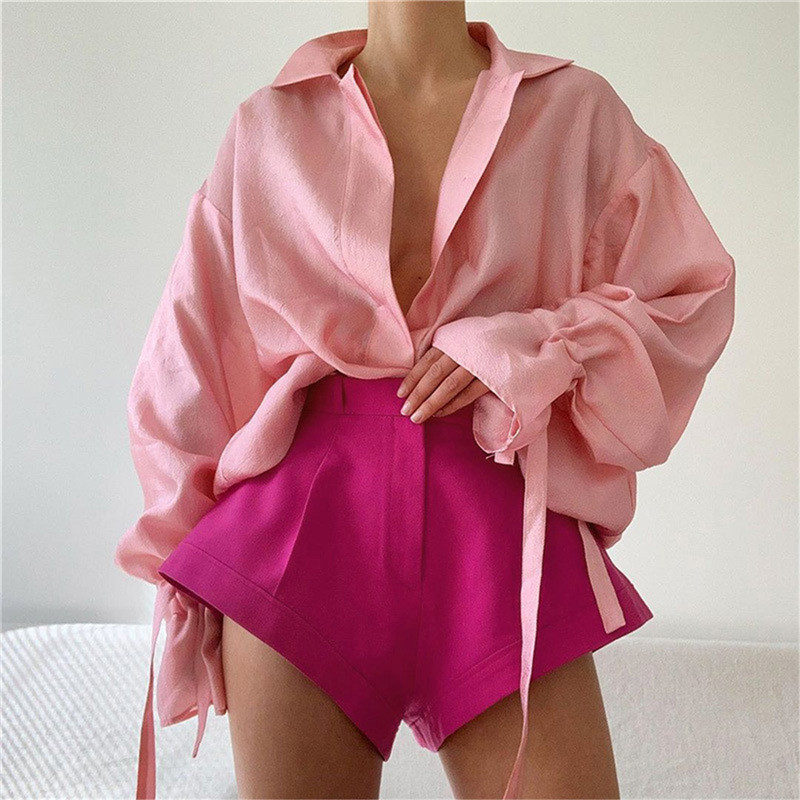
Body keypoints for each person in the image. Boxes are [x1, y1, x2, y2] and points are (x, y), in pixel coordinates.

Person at [115, 3, 736, 799]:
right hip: (298, 547)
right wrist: (180, 576)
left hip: (498, 540)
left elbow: (692, 296)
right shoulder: (268, 126)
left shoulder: (575, 112)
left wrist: (532, 344)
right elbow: (190, 364)